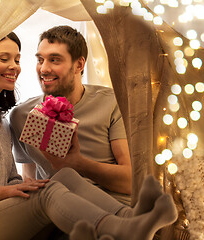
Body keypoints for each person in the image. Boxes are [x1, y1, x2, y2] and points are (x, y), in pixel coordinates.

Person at [0, 32, 177, 240]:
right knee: (50, 190)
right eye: (4, 59)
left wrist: (22, 185)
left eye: (17, 60)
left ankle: (131, 220)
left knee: (65, 176)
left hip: (6, 209)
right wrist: (12, 190)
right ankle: (122, 229)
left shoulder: (1, 119)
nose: (14, 66)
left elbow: (13, 178)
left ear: (79, 64)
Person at [9, 25, 132, 205]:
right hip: (57, 207)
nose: (43, 69)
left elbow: (130, 182)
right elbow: (30, 178)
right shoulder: (21, 115)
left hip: (112, 206)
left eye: (55, 60)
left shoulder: (112, 103)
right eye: (40, 59)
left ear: (79, 65)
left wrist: (77, 163)